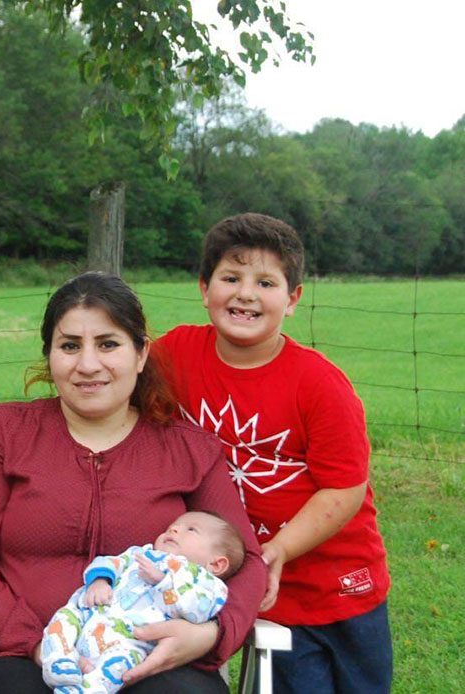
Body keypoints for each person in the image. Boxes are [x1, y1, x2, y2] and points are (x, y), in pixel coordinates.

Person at [0, 272, 267, 694]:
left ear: (141, 353)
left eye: (108, 344)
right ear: (50, 355)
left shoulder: (188, 451)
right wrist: (40, 644)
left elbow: (249, 564)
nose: (88, 364)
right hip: (13, 653)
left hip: (146, 655)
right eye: (70, 345)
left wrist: (209, 635)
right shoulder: (4, 434)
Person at [153, 213, 392, 693]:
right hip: (260, 592)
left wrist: (280, 549)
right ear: (204, 288)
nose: (245, 293)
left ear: (293, 299)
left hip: (340, 579)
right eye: (230, 278)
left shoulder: (319, 385)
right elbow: (122, 382)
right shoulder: (175, 353)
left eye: (265, 281)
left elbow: (344, 487)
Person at [41, 511, 243, 693]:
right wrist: (101, 580)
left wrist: (164, 581)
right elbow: (111, 561)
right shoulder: (140, 553)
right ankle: (59, 660)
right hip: (91, 615)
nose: (174, 529)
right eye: (172, 526)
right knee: (63, 619)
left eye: (191, 529)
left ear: (216, 564)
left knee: (119, 667)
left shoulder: (207, 584)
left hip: (131, 641)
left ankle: (85, 690)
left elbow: (197, 611)